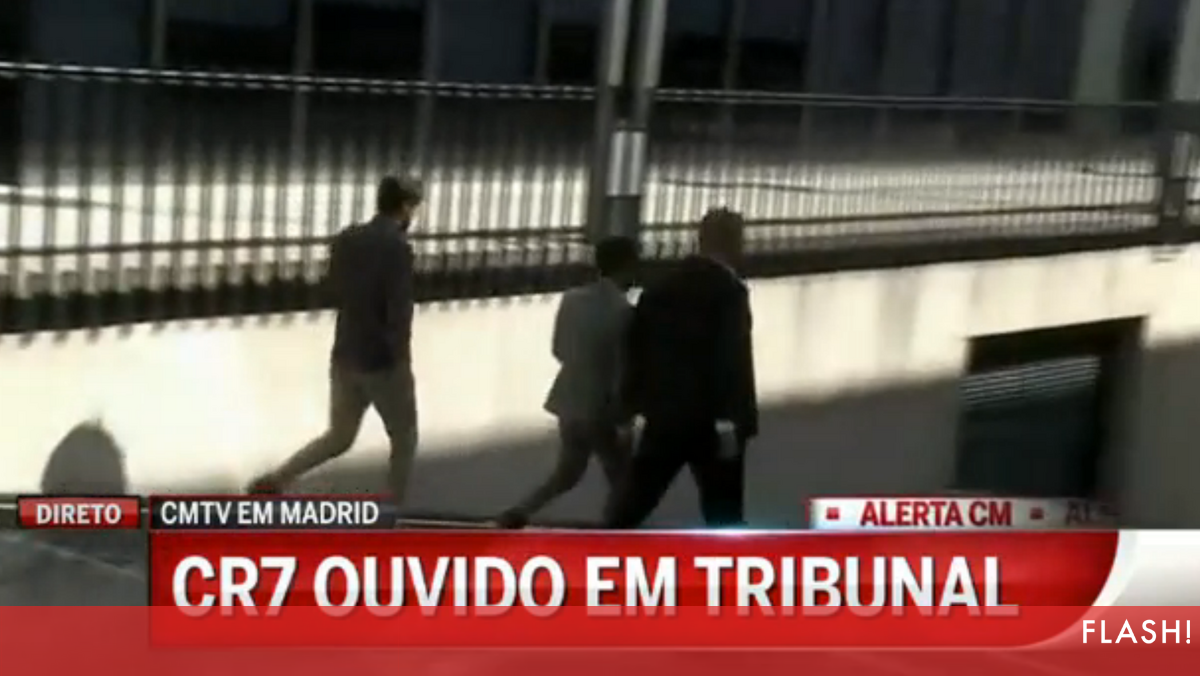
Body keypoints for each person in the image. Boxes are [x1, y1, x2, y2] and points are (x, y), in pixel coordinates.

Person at [248, 176, 424, 509]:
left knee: (339, 436)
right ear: (405, 207)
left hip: (345, 354)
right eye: (414, 208)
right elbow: (399, 311)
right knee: (404, 438)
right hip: (383, 362)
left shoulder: (346, 239)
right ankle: (391, 509)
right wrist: (400, 358)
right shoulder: (398, 250)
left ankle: (277, 479)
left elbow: (332, 289)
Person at [604, 208, 758, 528]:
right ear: (732, 242)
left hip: (663, 415)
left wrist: (630, 407)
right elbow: (731, 358)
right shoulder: (729, 290)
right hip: (711, 421)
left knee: (634, 504)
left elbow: (636, 348)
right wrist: (733, 418)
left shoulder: (660, 287)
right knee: (724, 513)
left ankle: (596, 551)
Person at [494, 236, 641, 529]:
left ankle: (520, 510)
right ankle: (615, 533)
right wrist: (624, 417)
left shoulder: (571, 299)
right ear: (627, 266)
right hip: (602, 408)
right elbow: (622, 366)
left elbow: (559, 349)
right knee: (622, 479)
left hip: (568, 400)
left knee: (568, 472)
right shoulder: (625, 312)